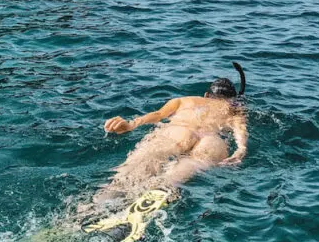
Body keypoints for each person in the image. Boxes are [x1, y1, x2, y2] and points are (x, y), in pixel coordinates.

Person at [93, 63, 249, 208]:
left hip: (179, 132)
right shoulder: (234, 110)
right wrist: (240, 150)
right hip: (211, 141)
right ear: (231, 99)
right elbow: (240, 131)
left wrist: (131, 124)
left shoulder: (184, 100)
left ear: (206, 94)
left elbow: (158, 114)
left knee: (130, 174)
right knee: (175, 178)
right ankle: (161, 191)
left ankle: (94, 209)